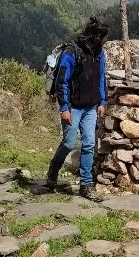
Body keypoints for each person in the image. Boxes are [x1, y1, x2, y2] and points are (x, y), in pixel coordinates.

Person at [46, 16, 109, 202]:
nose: (104, 41)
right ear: (95, 35)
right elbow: (62, 81)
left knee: (89, 144)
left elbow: (102, 78)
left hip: (91, 107)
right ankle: (54, 169)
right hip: (73, 107)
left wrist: (102, 102)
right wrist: (64, 107)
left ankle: (86, 186)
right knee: (69, 142)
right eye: (102, 37)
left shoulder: (100, 54)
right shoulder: (72, 52)